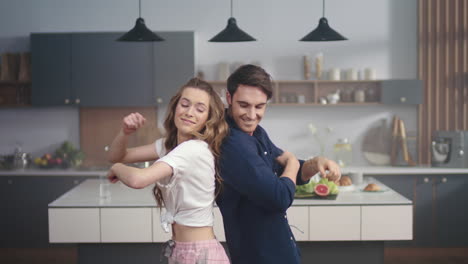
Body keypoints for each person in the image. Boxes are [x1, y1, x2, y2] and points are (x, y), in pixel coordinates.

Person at [217, 64, 342, 264]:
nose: (251, 115)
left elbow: (284, 169)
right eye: (243, 105)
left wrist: (316, 162)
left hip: (279, 250)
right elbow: (280, 196)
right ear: (229, 98)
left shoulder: (256, 133)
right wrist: (292, 162)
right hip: (259, 256)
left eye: (259, 106)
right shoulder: (232, 144)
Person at [106, 77, 230, 264]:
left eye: (200, 109)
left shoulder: (194, 149)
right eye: (185, 104)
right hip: (183, 250)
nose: (189, 112)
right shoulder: (169, 145)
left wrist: (116, 169)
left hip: (200, 254)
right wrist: (124, 132)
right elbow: (117, 155)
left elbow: (137, 179)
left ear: (207, 118)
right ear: (174, 108)